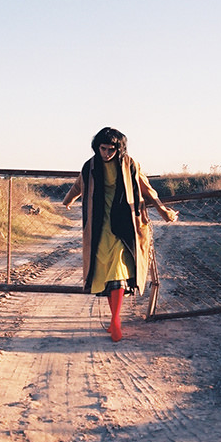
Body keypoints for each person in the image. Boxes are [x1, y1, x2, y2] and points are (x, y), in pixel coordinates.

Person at [63, 127, 178, 342]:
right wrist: (68, 200)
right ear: (97, 147)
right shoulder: (90, 165)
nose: (106, 153)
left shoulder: (130, 164)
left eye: (111, 149)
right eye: (103, 148)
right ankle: (113, 320)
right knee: (107, 271)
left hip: (125, 224)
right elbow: (79, 185)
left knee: (118, 268)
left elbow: (146, 189)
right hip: (99, 225)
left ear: (119, 148)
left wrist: (163, 211)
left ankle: (115, 320)